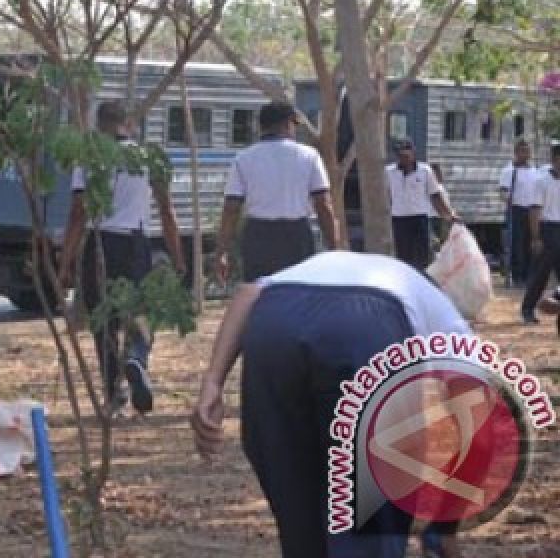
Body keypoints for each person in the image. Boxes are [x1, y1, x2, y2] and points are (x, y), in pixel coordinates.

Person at [191, 251, 471, 558]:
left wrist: (212, 384)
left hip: (275, 323)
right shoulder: (443, 312)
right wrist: (444, 529)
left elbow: (249, 294)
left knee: (299, 512)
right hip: (366, 326)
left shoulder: (323, 264)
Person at [59, 100, 186, 415]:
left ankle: (115, 392)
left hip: (100, 243)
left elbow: (78, 213)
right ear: (127, 124)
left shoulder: (88, 161)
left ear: (98, 125)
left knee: (103, 320)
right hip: (135, 244)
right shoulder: (146, 158)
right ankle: (137, 358)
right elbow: (167, 210)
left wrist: (65, 260)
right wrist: (178, 256)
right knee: (140, 312)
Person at [214, 102, 339, 284]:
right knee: (297, 292)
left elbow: (231, 208)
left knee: (259, 293)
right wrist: (335, 247)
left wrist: (222, 251)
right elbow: (323, 204)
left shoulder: (244, 158)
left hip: (258, 236)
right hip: (297, 235)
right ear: (288, 124)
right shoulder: (309, 156)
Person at [386, 139, 458, 270]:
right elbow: (386, 196)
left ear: (413, 153)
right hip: (399, 220)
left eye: (406, 155)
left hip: (419, 219)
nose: (403, 159)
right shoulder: (389, 172)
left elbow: (435, 196)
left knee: (423, 257)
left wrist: (449, 215)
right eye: (400, 156)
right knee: (403, 259)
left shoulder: (425, 171)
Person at [522, 143, 560, 325]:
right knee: (540, 273)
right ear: (554, 159)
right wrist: (536, 237)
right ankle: (528, 309)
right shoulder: (542, 181)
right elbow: (535, 210)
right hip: (547, 228)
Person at [499, 140, 536, 287]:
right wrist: (507, 198)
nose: (525, 154)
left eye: (527, 151)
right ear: (516, 152)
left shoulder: (534, 170)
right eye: (522, 151)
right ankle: (517, 275)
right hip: (516, 210)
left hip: (532, 210)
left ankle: (528, 275)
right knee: (517, 244)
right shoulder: (509, 170)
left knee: (530, 243)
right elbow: (503, 192)